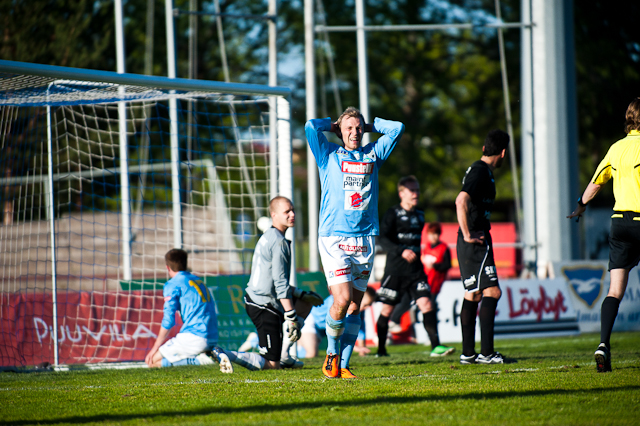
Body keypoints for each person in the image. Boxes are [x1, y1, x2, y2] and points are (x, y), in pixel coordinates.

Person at [305, 106, 405, 379]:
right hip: (334, 237)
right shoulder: (328, 155)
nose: (355, 132)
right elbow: (311, 127)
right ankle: (331, 354)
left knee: (354, 306)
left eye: (358, 128)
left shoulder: (373, 154)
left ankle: (345, 366)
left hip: (365, 239)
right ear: (340, 130)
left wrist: (370, 126)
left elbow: (397, 128)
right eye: (349, 128)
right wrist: (334, 124)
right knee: (342, 298)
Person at [567, 98, 640, 372]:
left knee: (614, 290)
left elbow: (596, 181)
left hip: (620, 223)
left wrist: (580, 205)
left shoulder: (617, 148)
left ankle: (603, 345)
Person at [219, 196, 323, 372]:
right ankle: (225, 354)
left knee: (306, 303)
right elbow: (280, 282)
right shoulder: (279, 241)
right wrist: (290, 315)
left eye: (293, 210)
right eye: (287, 212)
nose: (292, 214)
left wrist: (299, 294)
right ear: (274, 215)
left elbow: (272, 280)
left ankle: (284, 354)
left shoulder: (270, 235)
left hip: (263, 299)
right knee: (271, 366)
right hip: (263, 305)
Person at [376, 176, 455, 357]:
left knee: (427, 304)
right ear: (401, 193)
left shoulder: (419, 214)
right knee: (387, 310)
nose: (416, 194)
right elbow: (382, 238)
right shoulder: (393, 213)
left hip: (415, 271)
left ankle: (436, 346)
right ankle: (381, 349)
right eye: (412, 190)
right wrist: (400, 251)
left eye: (417, 190)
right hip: (395, 270)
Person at [455, 129, 510, 365]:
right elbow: (461, 200)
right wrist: (467, 234)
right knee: (492, 292)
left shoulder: (480, 170)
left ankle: (468, 354)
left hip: (475, 239)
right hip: (474, 240)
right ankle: (487, 353)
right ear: (503, 153)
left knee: (474, 293)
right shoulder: (480, 171)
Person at [145, 249, 233, 373]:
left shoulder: (172, 284)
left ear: (167, 267)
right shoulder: (197, 280)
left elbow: (168, 320)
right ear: (185, 264)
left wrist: (155, 347)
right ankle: (205, 355)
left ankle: (200, 360)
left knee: (153, 361)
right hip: (212, 336)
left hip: (194, 336)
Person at [298, 286, 376, 358]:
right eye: (366, 305)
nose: (367, 308)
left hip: (321, 329)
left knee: (303, 351)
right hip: (311, 321)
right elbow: (335, 327)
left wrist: (362, 351)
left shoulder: (358, 309)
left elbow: (360, 328)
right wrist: (355, 348)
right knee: (312, 353)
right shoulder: (337, 301)